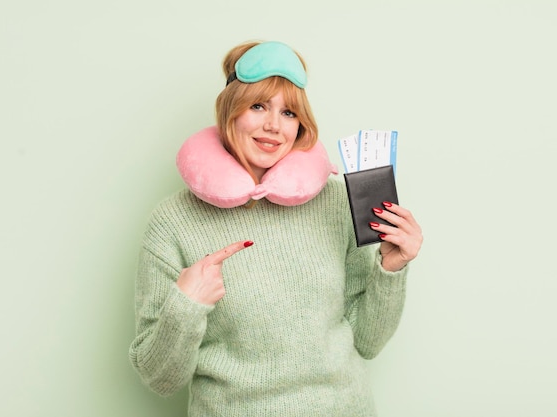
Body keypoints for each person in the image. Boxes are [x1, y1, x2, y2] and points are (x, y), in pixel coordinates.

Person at [129, 40, 423, 417]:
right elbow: (160, 379)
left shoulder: (335, 202)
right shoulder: (172, 222)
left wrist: (391, 269)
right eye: (257, 106)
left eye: (288, 112)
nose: (273, 125)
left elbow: (366, 342)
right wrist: (186, 306)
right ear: (229, 110)